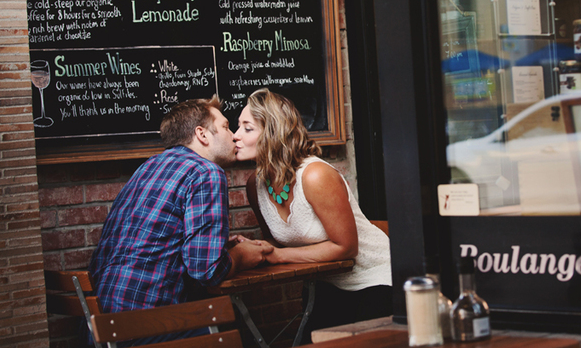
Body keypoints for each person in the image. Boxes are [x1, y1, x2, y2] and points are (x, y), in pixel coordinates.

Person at [88, 96, 273, 344]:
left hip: (100, 326)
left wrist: (222, 247)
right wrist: (241, 255)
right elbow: (206, 271)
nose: (234, 136)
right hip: (145, 327)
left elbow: (156, 244)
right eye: (226, 127)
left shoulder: (149, 166)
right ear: (202, 135)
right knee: (239, 332)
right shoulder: (205, 172)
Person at [234, 88, 392, 342]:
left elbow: (346, 247)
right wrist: (255, 248)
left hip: (375, 278)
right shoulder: (255, 186)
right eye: (236, 127)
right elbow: (281, 242)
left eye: (247, 128)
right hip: (327, 284)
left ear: (273, 132)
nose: (235, 136)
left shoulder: (315, 175)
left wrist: (277, 255)